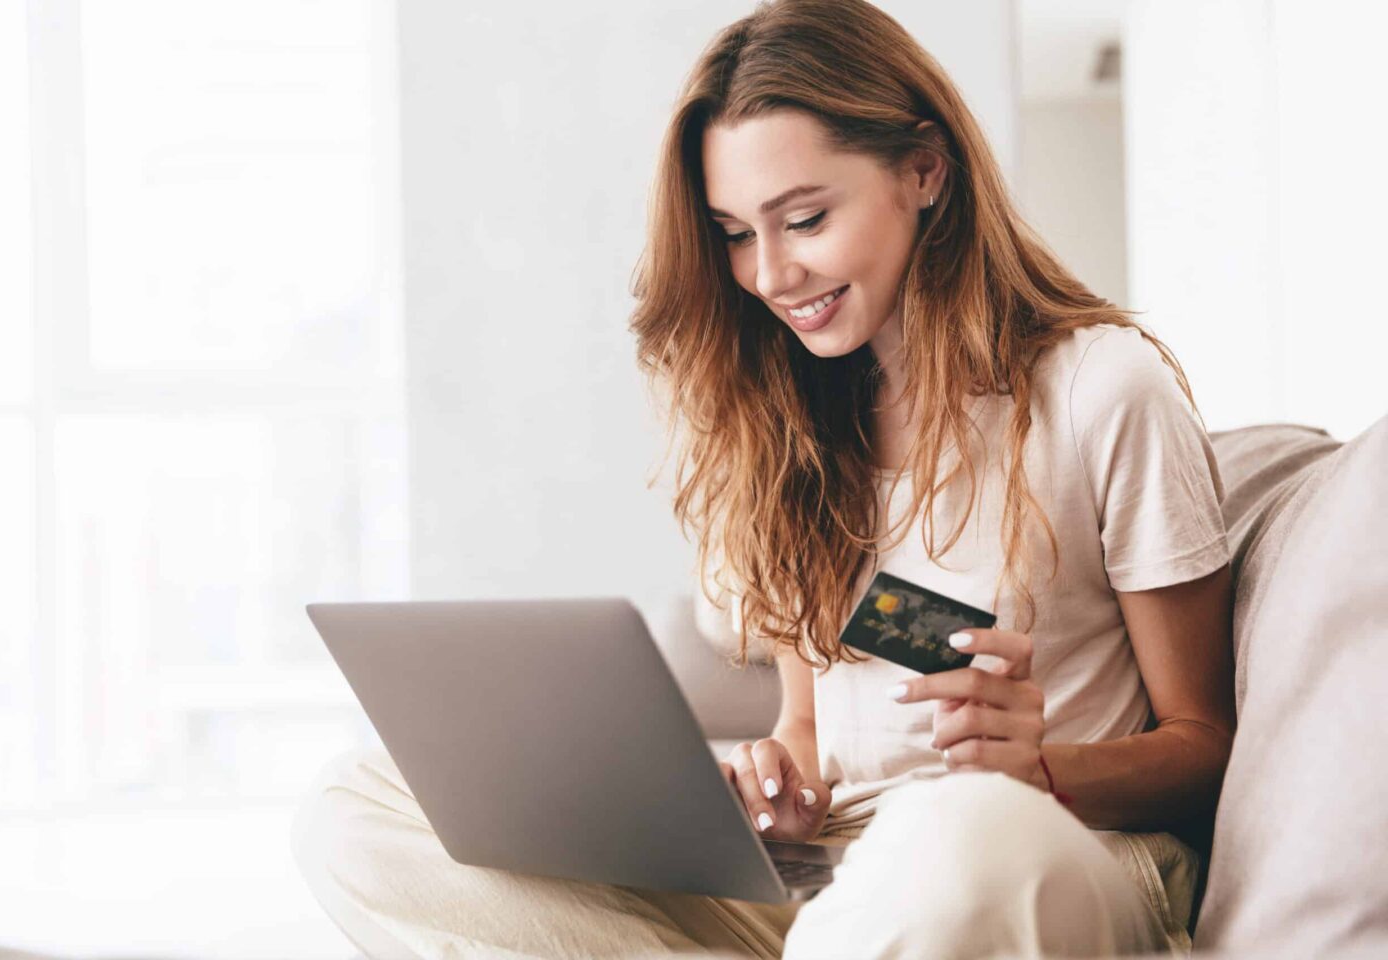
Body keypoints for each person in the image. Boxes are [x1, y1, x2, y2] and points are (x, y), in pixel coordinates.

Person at [291, 1, 1236, 957]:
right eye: (736, 233)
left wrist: (1043, 773)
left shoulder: (1100, 390)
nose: (772, 274)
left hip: (1047, 848)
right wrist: (781, 785)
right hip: (840, 874)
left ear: (924, 170)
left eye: (806, 219)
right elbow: (809, 729)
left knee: (952, 833)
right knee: (359, 805)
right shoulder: (791, 424)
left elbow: (1206, 744)